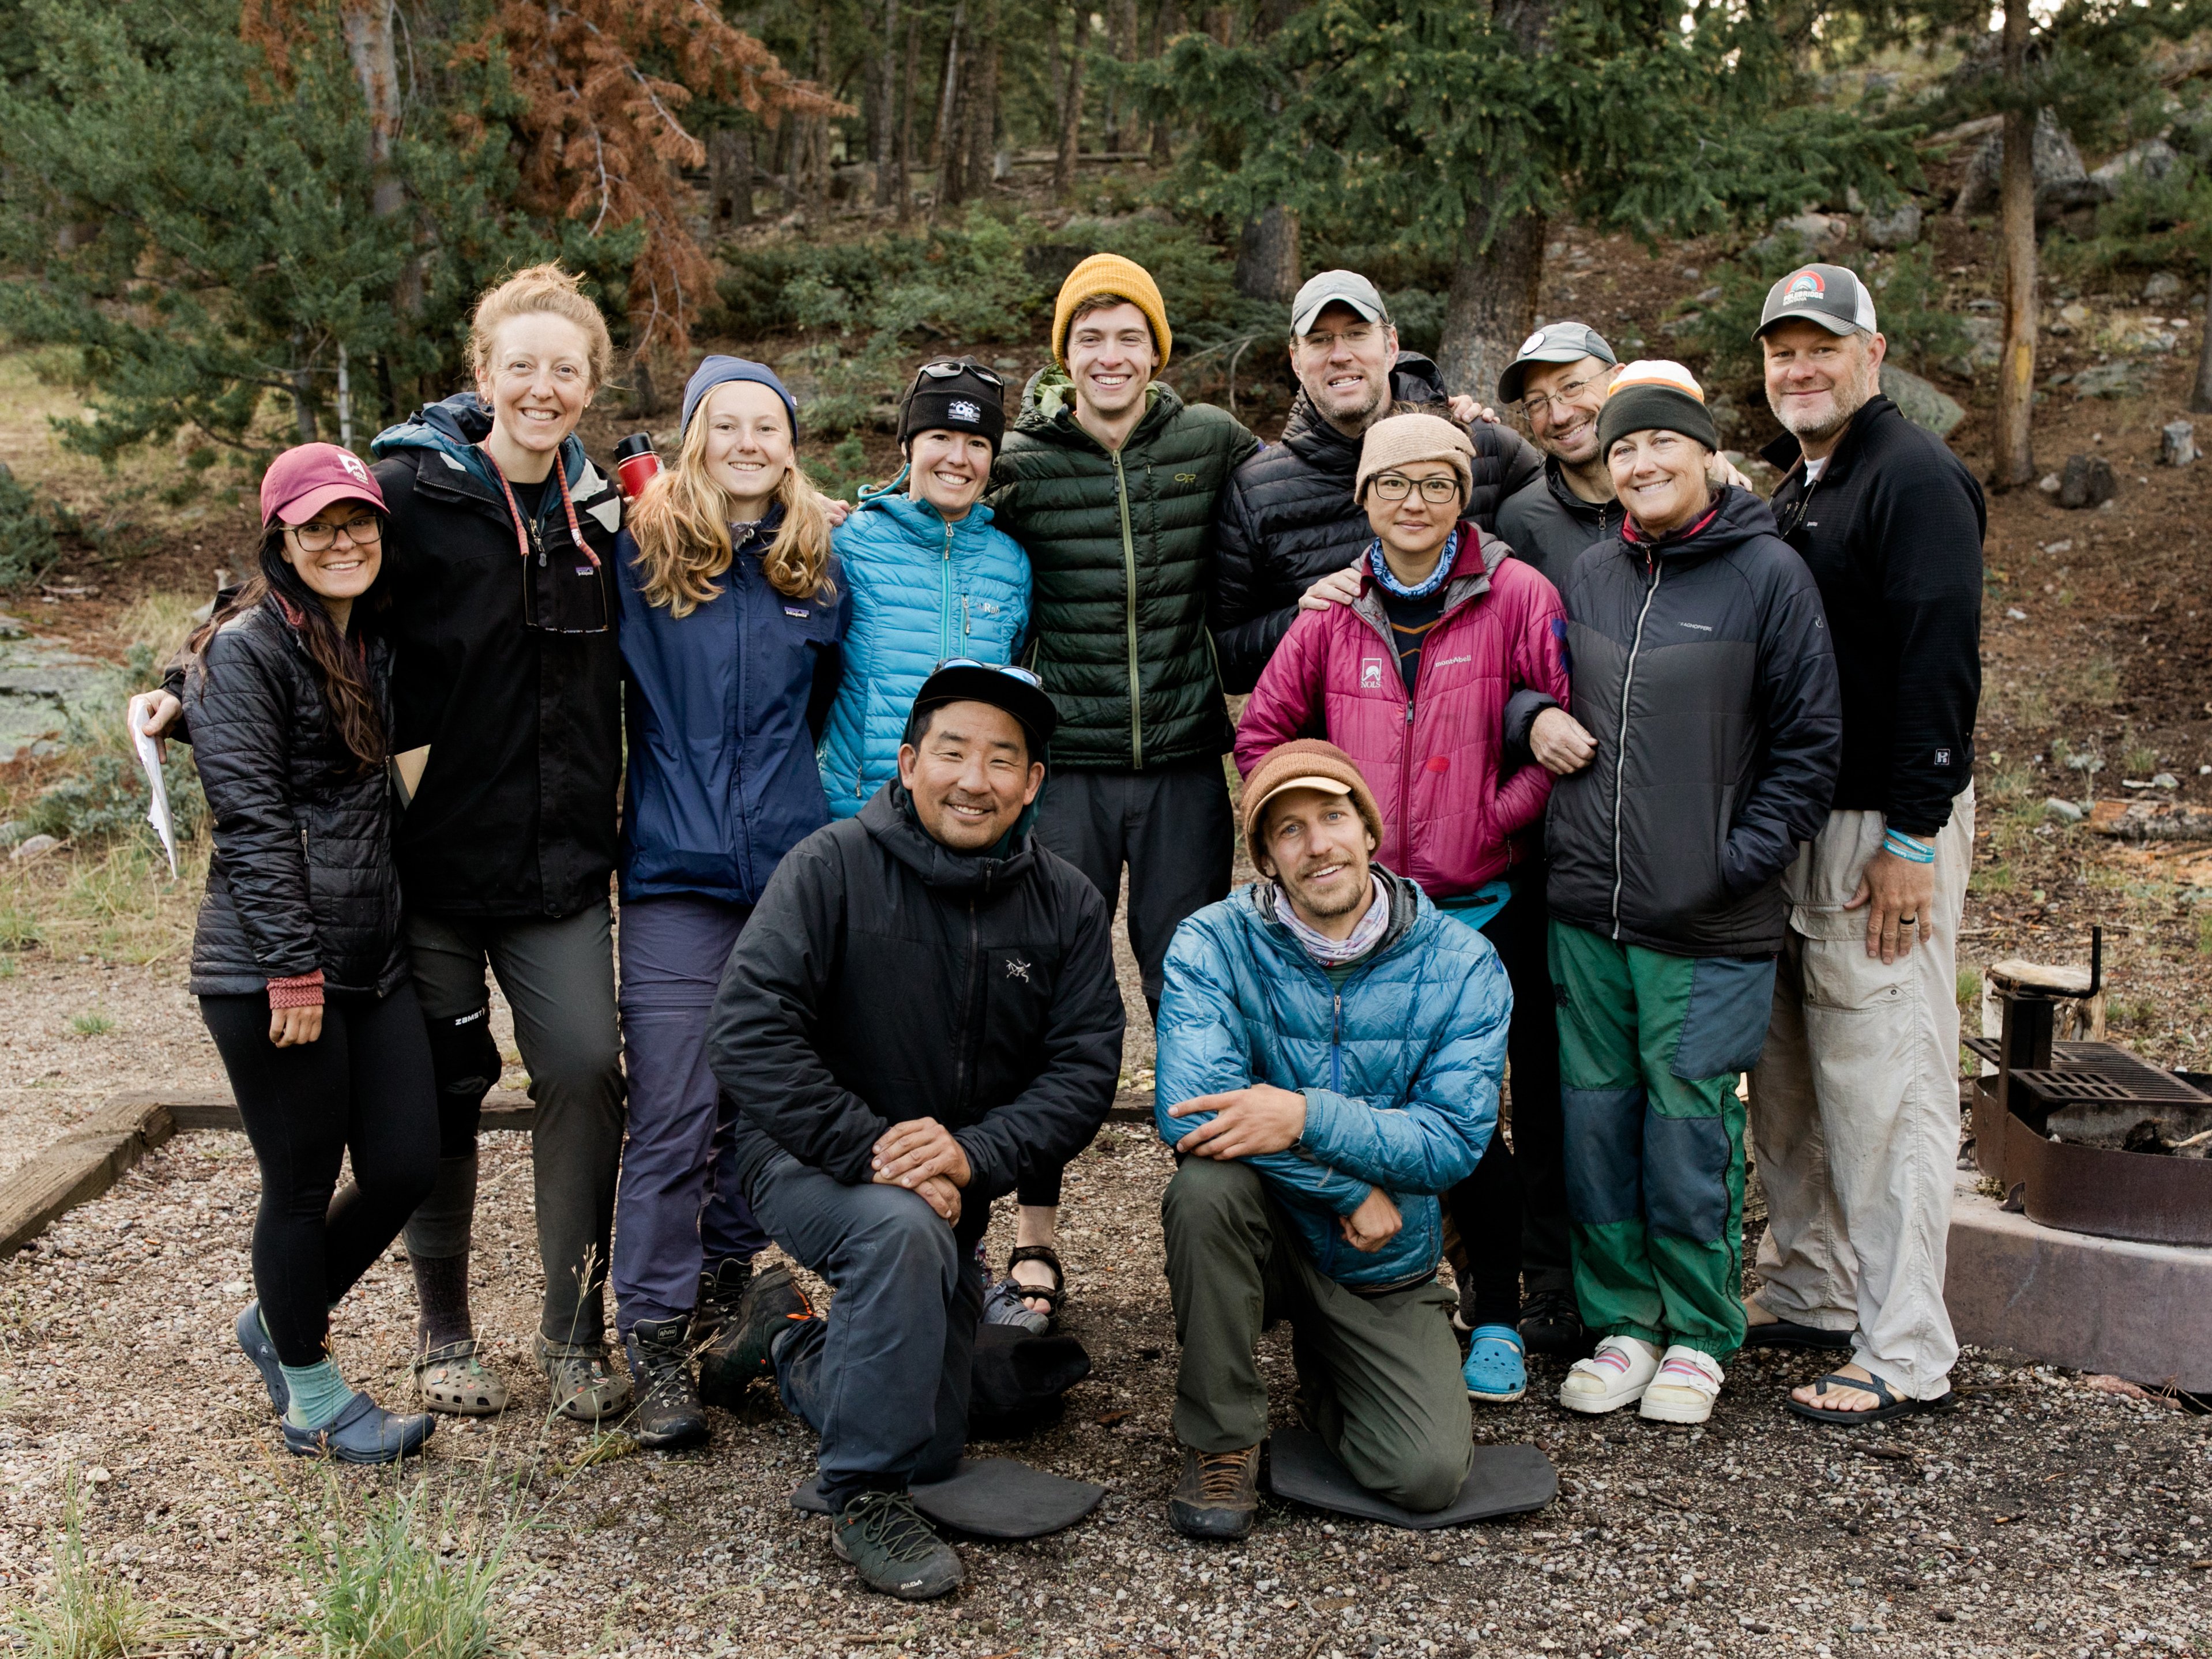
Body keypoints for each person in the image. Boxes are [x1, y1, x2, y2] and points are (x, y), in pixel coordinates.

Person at [137, 266, 630, 1420]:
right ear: (483, 374)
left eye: (566, 368)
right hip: (433, 870)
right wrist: (180, 682)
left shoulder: (609, 512)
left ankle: (573, 1330)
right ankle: (443, 1332)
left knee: (581, 1068)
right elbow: (297, 576)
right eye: (522, 365)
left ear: (591, 383)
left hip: (562, 868)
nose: (542, 387)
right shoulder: (413, 489)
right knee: (445, 1093)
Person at [706, 663, 1123, 1600]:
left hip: (952, 1187)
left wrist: (973, 1153)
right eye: (952, 751)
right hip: (810, 1155)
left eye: (1002, 759)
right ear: (906, 761)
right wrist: (872, 1148)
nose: (974, 778)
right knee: (898, 1235)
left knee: (936, 1432)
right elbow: (745, 1027)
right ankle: (862, 1492)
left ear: (1032, 784)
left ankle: (788, 1342)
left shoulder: (1066, 905)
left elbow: (1084, 1070)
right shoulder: (831, 865)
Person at [1235, 413, 1570, 1406]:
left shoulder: (1518, 595)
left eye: (1433, 482)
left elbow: (1556, 728)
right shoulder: (1334, 611)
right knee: (1369, 1100)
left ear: (1463, 493)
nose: (1412, 502)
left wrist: (1493, 819)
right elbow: (1262, 734)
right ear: (1364, 497)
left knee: (1472, 1116)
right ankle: (1361, 1279)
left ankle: (1499, 1310)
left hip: (1482, 900)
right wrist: (1308, 834)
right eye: (1392, 484)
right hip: (1364, 914)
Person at [1540, 362, 1840, 1427]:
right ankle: (1622, 1320)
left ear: (1705, 451)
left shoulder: (1768, 575)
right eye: (1621, 448)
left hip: (1706, 919)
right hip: (1589, 910)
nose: (1641, 462)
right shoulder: (1589, 576)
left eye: (1660, 441)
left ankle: (1700, 1328)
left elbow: (1810, 747)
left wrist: (1734, 856)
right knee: (1597, 1124)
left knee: (1686, 1129)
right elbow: (1535, 682)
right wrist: (1533, 712)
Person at [985, 253, 1259, 1322]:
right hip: (1074, 771)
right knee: (1046, 989)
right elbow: (934, 510)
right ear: (1066, 353)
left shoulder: (1211, 443)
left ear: (1157, 349)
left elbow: (1309, 494)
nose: (1110, 354)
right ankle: (1034, 1236)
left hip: (1187, 762)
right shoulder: (1021, 461)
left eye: (1128, 334)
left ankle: (1218, 1235)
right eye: (1090, 336)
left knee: (1191, 986)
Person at [1154, 740, 1508, 1539]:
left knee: (1424, 1476)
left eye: (1333, 817)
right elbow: (1190, 1111)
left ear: (1368, 830)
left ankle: (1334, 1371)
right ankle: (1223, 1439)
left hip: (1384, 1257)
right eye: (1287, 831)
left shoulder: (1463, 963)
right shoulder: (1213, 942)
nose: (1317, 845)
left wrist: (1303, 1114)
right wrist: (1344, 1186)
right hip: (1273, 1232)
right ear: (1266, 861)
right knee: (1204, 1192)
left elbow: (1453, 1142)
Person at [1745, 265, 1985, 1425]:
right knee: (1792, 1069)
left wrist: (1912, 833)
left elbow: (1943, 661)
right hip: (1801, 819)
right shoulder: (1805, 483)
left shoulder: (1914, 479)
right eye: (1782, 350)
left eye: (1820, 347)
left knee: (1885, 1074)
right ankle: (1814, 1284)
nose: (1800, 367)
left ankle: (1903, 1344)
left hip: (1877, 825)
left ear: (1871, 354)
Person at [610, 355, 847, 1449]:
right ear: (698, 434)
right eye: (729, 424)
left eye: (769, 426)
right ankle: (651, 1334)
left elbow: (832, 699)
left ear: (791, 443)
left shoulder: (816, 565)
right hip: (673, 872)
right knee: (672, 1103)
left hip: (786, 874)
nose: (750, 442)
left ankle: (723, 1283)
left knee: (763, 1097)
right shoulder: (644, 549)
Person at [187, 444, 437, 1462]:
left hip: (372, 956)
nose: (344, 540)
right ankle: (312, 1394)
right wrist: (294, 965)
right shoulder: (249, 649)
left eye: (358, 521)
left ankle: (276, 1321)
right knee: (298, 1183)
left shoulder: (371, 637)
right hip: (271, 969)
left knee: (405, 1162)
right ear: (281, 540)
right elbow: (249, 818)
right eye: (320, 524)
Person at [1211, 269, 1541, 693]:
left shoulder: (1484, 449)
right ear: (1295, 359)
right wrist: (1301, 620)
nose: (1340, 354)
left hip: (1473, 746)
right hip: (1335, 755)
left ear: (1391, 346)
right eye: (1319, 340)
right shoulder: (1255, 493)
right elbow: (1225, 661)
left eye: (1356, 334)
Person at [817, 358, 1027, 820]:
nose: (958, 458)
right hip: (859, 816)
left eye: (977, 443)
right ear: (909, 447)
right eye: (940, 437)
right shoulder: (848, 544)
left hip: (969, 818)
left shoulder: (1011, 563)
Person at [1492, 322, 1624, 588]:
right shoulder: (1517, 522)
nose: (1559, 416)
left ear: (1617, 381)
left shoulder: (1673, 497)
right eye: (1537, 402)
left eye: (1572, 386)